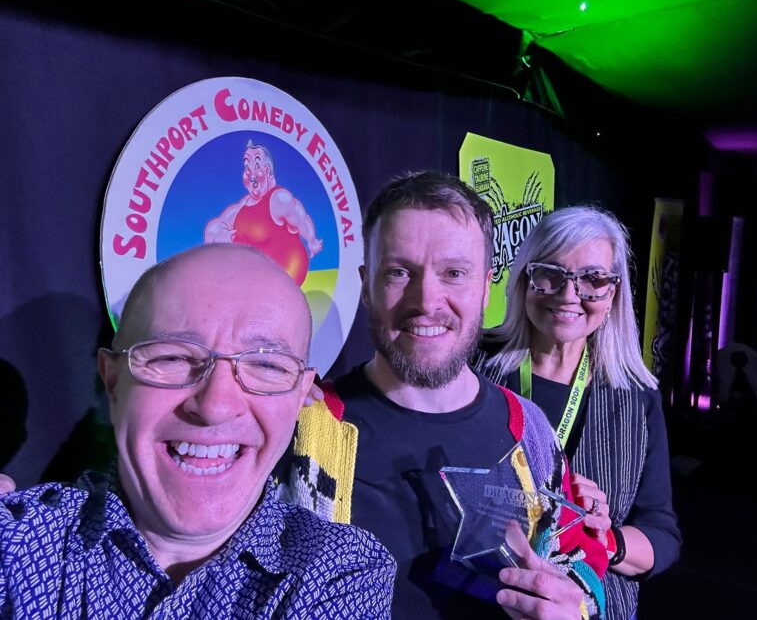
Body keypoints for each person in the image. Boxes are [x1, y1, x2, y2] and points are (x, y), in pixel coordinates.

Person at [0, 245, 395, 618]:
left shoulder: (340, 571)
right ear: (113, 382)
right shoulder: (18, 543)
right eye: (172, 357)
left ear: (299, 397)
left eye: (267, 366)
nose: (214, 406)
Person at [280, 172, 607, 620]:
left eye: (454, 273)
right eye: (399, 272)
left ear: (486, 286)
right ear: (365, 284)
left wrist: (578, 606)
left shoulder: (529, 431)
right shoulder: (301, 430)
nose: (427, 299)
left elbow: (580, 560)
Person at [474, 206, 681, 620]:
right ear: (524, 279)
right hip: (480, 595)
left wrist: (605, 540)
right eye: (550, 273)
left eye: (592, 279)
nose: (569, 295)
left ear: (613, 293)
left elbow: (662, 534)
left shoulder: (636, 399)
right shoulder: (473, 366)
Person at [205, 140, 323, 285]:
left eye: (256, 165)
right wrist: (221, 235)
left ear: (267, 170)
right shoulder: (244, 204)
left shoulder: (279, 199)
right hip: (253, 277)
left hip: (284, 275)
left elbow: (301, 219)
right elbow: (217, 225)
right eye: (247, 166)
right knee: (214, 230)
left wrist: (311, 241)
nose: (250, 172)